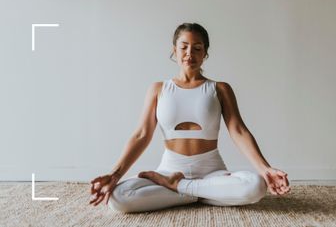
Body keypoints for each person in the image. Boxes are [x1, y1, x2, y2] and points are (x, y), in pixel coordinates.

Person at [89, 22, 290, 213]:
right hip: (169, 170)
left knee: (256, 186)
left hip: (212, 171)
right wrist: (115, 175)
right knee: (118, 197)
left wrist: (265, 169)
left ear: (205, 53)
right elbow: (142, 134)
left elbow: (238, 131)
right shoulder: (158, 89)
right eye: (184, 47)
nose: (189, 53)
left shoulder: (220, 88)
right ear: (174, 50)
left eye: (197, 48)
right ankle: (202, 193)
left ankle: (179, 187)